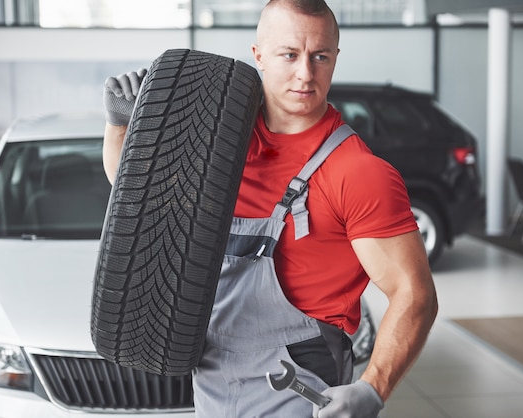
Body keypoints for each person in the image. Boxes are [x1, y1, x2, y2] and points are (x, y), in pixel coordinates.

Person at [101, 0, 438, 417]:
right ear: (258, 55)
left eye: (320, 57)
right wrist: (121, 125)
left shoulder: (358, 172)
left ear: (335, 58)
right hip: (212, 372)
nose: (305, 74)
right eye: (289, 55)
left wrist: (373, 388)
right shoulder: (218, 146)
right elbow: (140, 198)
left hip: (300, 381)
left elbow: (414, 293)